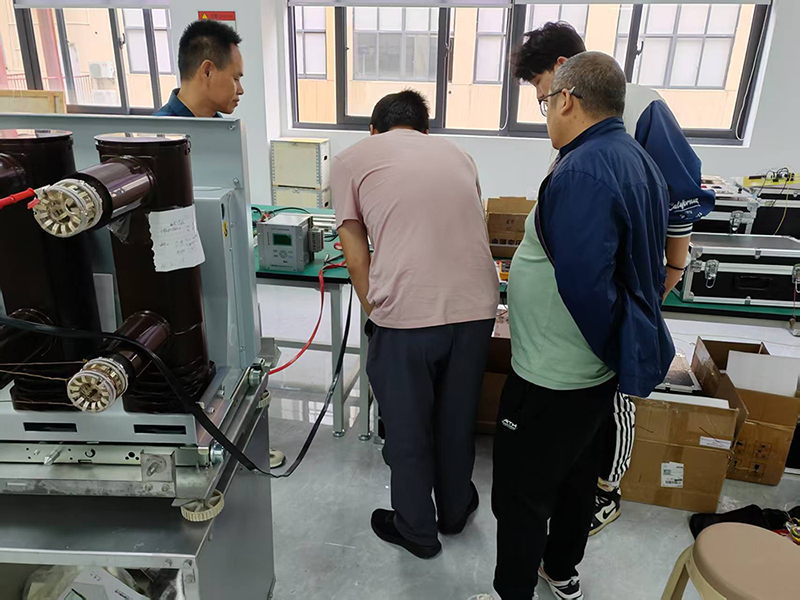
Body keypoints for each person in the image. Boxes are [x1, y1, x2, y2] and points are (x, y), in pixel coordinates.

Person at [511, 22, 715, 535]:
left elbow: (679, 195)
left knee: (613, 394)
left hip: (601, 323)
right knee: (587, 422)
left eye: (541, 93)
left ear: (564, 81)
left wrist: (670, 273)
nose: (542, 106)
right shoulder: (595, 131)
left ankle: (608, 487)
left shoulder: (636, 109)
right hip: (603, 305)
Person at [492, 52, 674, 600]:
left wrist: (607, 347)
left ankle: (513, 592)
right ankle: (561, 569)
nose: (547, 113)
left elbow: (586, 285)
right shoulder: (635, 158)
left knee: (521, 493)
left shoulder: (581, 171)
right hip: (588, 373)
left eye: (546, 102)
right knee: (575, 478)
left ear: (567, 100)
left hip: (554, 372)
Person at [331, 90, 499, 559]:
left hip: (407, 316)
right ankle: (454, 511)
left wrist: (378, 312)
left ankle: (417, 531)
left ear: (373, 130)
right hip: (477, 309)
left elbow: (354, 251)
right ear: (425, 130)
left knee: (407, 429)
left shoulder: (349, 159)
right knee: (456, 418)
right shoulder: (460, 155)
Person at [154, 19, 243, 117]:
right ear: (207, 71)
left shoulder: (217, 122)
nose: (240, 90)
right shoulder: (161, 126)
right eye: (235, 79)